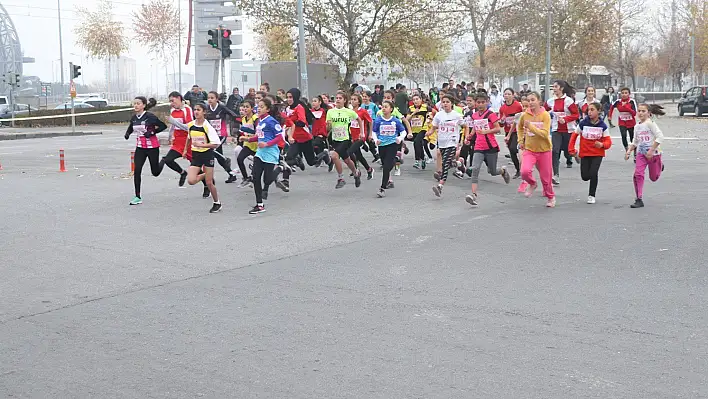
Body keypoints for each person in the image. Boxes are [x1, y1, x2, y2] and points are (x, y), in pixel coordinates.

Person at [464, 93, 511, 206]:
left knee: (492, 171)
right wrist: (470, 135)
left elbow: (498, 129)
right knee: (475, 169)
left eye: (482, 102)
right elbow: (475, 127)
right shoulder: (474, 115)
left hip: (491, 147)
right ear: (475, 103)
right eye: (478, 102)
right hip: (479, 147)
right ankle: (474, 195)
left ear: (487, 102)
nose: (480, 104)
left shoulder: (491, 115)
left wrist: (486, 132)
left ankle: (503, 171)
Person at [124, 97, 167, 205]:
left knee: (155, 172)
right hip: (140, 148)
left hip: (152, 147)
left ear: (143, 105)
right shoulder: (134, 118)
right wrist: (127, 134)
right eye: (134, 104)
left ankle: (163, 161)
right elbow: (131, 127)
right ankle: (137, 196)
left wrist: (152, 132)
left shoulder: (150, 117)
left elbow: (163, 126)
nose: (136, 106)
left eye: (138, 104)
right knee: (137, 170)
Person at [245, 98, 285, 214]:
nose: (259, 109)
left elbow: (279, 137)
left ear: (267, 109)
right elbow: (259, 136)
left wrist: (267, 144)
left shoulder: (271, 121)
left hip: (271, 152)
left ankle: (279, 169)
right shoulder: (259, 121)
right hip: (260, 152)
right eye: (258, 106)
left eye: (262, 107)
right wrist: (248, 139)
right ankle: (260, 204)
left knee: (267, 179)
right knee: (256, 177)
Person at [517, 91, 555, 207]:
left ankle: (550, 197)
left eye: (533, 100)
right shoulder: (525, 115)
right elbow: (519, 128)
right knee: (524, 172)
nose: (530, 103)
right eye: (528, 100)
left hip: (544, 150)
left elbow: (544, 134)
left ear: (539, 101)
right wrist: (520, 141)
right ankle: (532, 183)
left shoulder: (545, 115)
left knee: (546, 178)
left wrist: (531, 127)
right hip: (530, 149)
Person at [568, 102, 612, 204]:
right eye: (588, 110)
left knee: (593, 173)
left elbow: (608, 142)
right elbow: (574, 136)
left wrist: (602, 145)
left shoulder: (603, 126)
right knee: (585, 177)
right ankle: (589, 181)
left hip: (597, 154)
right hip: (585, 153)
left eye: (592, 110)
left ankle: (591, 195)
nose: (589, 112)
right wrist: (571, 149)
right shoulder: (583, 123)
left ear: (599, 111)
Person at [184, 103, 222, 213]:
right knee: (191, 180)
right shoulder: (191, 124)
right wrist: (185, 150)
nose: (196, 112)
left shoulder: (207, 127)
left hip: (207, 155)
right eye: (195, 110)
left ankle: (217, 203)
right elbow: (189, 137)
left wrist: (202, 145)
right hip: (196, 155)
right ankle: (206, 175)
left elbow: (215, 144)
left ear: (204, 112)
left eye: (199, 110)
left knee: (209, 183)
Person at [627, 104, 666, 208]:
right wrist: (629, 151)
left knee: (653, 178)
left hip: (653, 154)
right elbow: (635, 142)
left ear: (649, 113)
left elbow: (660, 137)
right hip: (641, 154)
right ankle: (639, 199)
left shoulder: (650, 124)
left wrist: (652, 149)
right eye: (639, 111)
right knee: (637, 174)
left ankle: (659, 164)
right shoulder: (637, 126)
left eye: (643, 111)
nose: (640, 113)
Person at [427, 94, 464, 198]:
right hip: (442, 142)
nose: (445, 104)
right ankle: (459, 163)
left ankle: (440, 186)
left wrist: (464, 138)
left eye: (447, 102)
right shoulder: (439, 115)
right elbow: (434, 126)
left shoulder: (456, 115)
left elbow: (465, 126)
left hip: (452, 142)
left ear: (451, 103)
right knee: (447, 162)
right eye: (443, 102)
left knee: (445, 165)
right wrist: (430, 132)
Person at [326, 91, 364, 189]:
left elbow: (359, 119)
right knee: (347, 160)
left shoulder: (348, 111)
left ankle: (341, 178)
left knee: (334, 156)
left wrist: (362, 132)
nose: (337, 100)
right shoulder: (330, 112)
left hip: (346, 139)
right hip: (335, 139)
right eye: (336, 98)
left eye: (340, 98)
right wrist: (328, 126)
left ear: (344, 100)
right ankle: (356, 173)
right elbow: (328, 128)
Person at [545, 79, 580, 185]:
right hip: (556, 130)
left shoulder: (568, 101)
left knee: (568, 151)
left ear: (561, 88)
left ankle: (576, 154)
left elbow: (576, 115)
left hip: (568, 130)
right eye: (553, 87)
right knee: (555, 151)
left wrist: (565, 119)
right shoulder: (550, 101)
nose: (554, 89)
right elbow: (543, 110)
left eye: (556, 87)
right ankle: (556, 175)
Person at [157, 92, 194, 187]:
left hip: (187, 141)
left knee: (195, 166)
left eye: (172, 100)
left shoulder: (187, 110)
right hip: (177, 142)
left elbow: (188, 127)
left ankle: (207, 185)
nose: (171, 103)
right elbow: (172, 126)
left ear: (179, 98)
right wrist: (169, 137)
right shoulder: (173, 110)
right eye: (170, 101)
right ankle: (182, 173)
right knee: (168, 160)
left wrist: (173, 121)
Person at [371, 101, 407, 197]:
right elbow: (374, 132)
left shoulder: (395, 120)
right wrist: (376, 139)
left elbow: (403, 132)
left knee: (386, 167)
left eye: (386, 107)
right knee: (385, 164)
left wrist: (399, 138)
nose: (383, 108)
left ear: (391, 109)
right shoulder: (378, 120)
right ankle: (396, 159)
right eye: (382, 107)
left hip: (392, 144)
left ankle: (382, 188)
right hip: (382, 145)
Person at [205, 91, 240, 186]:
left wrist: (241, 121)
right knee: (218, 155)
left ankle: (224, 162)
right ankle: (230, 172)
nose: (210, 100)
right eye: (208, 98)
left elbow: (233, 115)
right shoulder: (207, 109)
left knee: (213, 151)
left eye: (212, 98)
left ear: (217, 99)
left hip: (221, 134)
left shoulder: (221, 108)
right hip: (212, 135)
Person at [348, 93, 375, 180]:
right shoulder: (350, 111)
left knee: (349, 152)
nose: (352, 101)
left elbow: (370, 122)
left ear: (359, 102)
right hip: (353, 136)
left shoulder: (363, 111)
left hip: (361, 136)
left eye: (355, 99)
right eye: (351, 99)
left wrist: (370, 134)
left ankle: (355, 169)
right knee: (358, 155)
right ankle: (369, 169)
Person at [499, 88, 524, 178]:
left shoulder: (518, 106)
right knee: (511, 151)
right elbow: (501, 125)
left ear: (513, 95)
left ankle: (524, 163)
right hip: (507, 131)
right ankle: (518, 170)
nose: (507, 96)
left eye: (509, 94)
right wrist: (502, 121)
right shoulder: (502, 108)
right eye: (505, 94)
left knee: (514, 148)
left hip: (517, 131)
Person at [235, 99, 259, 188]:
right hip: (248, 145)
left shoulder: (255, 118)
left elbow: (258, 131)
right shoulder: (243, 119)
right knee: (240, 159)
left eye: (247, 107)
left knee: (260, 166)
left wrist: (247, 134)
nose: (245, 109)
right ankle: (246, 178)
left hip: (257, 145)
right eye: (244, 107)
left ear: (252, 108)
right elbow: (243, 130)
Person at [608, 87, 638, 157]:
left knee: (632, 138)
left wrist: (627, 107)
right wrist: (610, 116)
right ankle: (627, 151)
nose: (624, 94)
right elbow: (612, 107)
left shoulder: (631, 101)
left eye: (626, 93)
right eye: (623, 93)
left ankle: (635, 153)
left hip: (631, 122)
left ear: (629, 94)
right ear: (620, 94)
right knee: (623, 136)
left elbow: (634, 113)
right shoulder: (618, 102)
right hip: (622, 122)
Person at [406, 94, 430, 169]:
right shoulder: (410, 108)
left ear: (421, 100)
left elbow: (434, 112)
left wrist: (430, 119)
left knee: (417, 142)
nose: (415, 101)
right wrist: (414, 113)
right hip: (414, 129)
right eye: (414, 100)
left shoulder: (425, 107)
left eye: (417, 99)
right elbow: (407, 119)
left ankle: (417, 160)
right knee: (418, 144)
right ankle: (423, 159)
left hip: (423, 129)